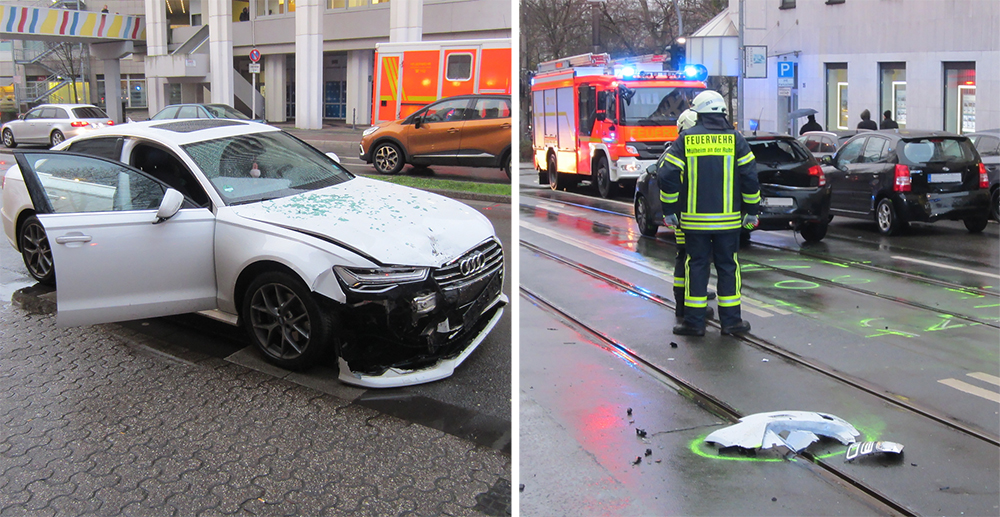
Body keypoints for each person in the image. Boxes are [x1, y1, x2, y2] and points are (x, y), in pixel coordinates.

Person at [657, 90, 760, 336]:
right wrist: (752, 211)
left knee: (696, 266)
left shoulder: (686, 139)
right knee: (728, 267)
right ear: (723, 113)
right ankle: (732, 323)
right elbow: (750, 176)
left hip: (694, 222)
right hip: (729, 222)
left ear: (698, 113)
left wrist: (670, 210)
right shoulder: (736, 139)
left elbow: (667, 174)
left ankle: (694, 323)